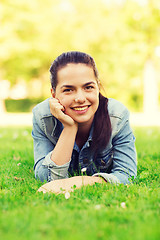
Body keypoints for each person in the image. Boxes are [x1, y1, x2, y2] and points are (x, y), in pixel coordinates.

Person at [32, 51, 137, 193]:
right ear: (53, 94)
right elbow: (46, 178)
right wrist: (69, 128)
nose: (80, 98)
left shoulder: (116, 116)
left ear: (98, 88)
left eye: (88, 87)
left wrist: (83, 181)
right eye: (68, 90)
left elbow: (127, 174)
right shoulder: (43, 117)